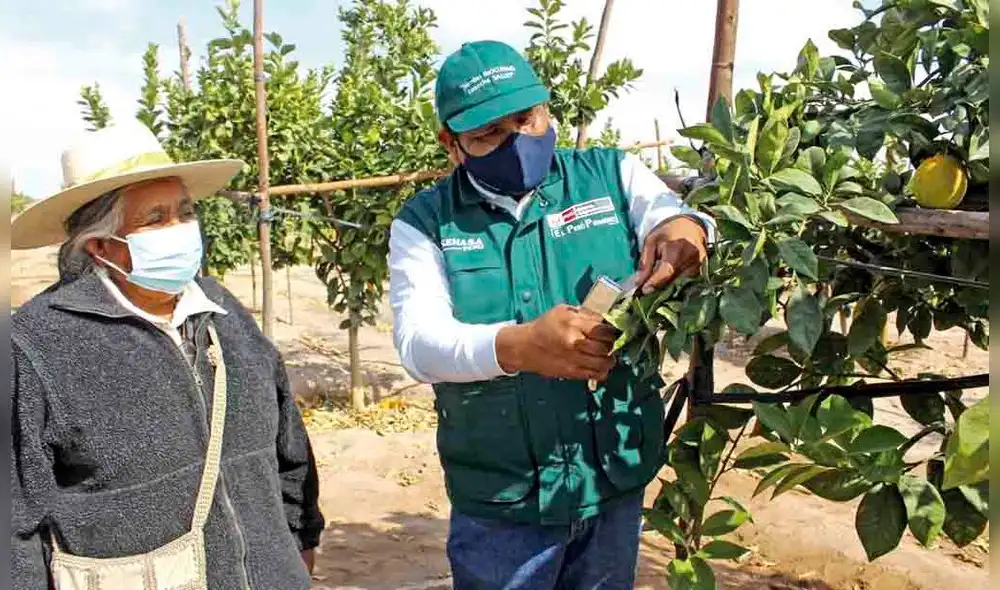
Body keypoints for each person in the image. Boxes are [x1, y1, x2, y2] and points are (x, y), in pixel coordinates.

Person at [389, 41, 715, 589]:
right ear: (452, 144)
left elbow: (674, 216)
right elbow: (419, 343)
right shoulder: (425, 223)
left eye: (526, 119)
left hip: (610, 479)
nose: (515, 142)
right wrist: (516, 346)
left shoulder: (611, 175)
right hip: (503, 500)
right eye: (487, 135)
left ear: (547, 109)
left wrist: (689, 228)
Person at [10, 121, 324, 589]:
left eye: (185, 212)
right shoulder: (35, 346)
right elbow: (14, 525)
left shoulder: (223, 311)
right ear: (100, 246)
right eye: (155, 219)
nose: (179, 230)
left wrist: (298, 545)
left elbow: (287, 448)